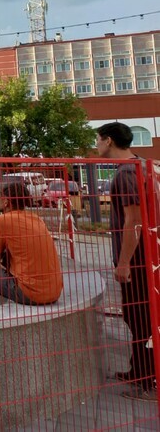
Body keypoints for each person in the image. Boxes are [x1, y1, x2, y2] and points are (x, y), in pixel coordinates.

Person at [96, 121, 156, 401]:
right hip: (149, 257)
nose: (96, 145)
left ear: (108, 141)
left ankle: (149, 382)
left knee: (140, 318)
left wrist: (123, 263)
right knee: (138, 316)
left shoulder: (125, 174)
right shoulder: (144, 165)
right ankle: (138, 371)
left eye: (97, 139)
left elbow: (134, 221)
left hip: (138, 260)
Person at [0, 180, 63, 308]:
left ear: (6, 202)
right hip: (53, 292)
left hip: (30, 293)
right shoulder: (36, 219)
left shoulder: (1, 220)